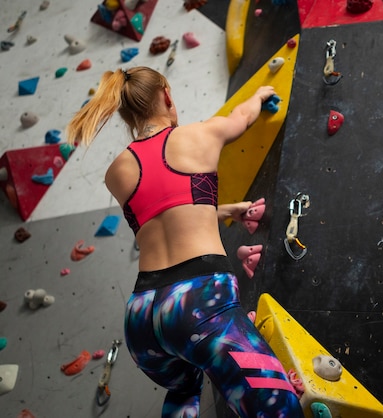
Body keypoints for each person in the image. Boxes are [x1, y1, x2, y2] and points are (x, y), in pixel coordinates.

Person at [66, 66, 304, 418]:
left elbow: (165, 213)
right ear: (167, 96)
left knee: (185, 386)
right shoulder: (198, 135)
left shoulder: (116, 172)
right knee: (280, 411)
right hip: (200, 305)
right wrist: (261, 95)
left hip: (144, 318)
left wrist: (223, 210)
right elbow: (242, 117)